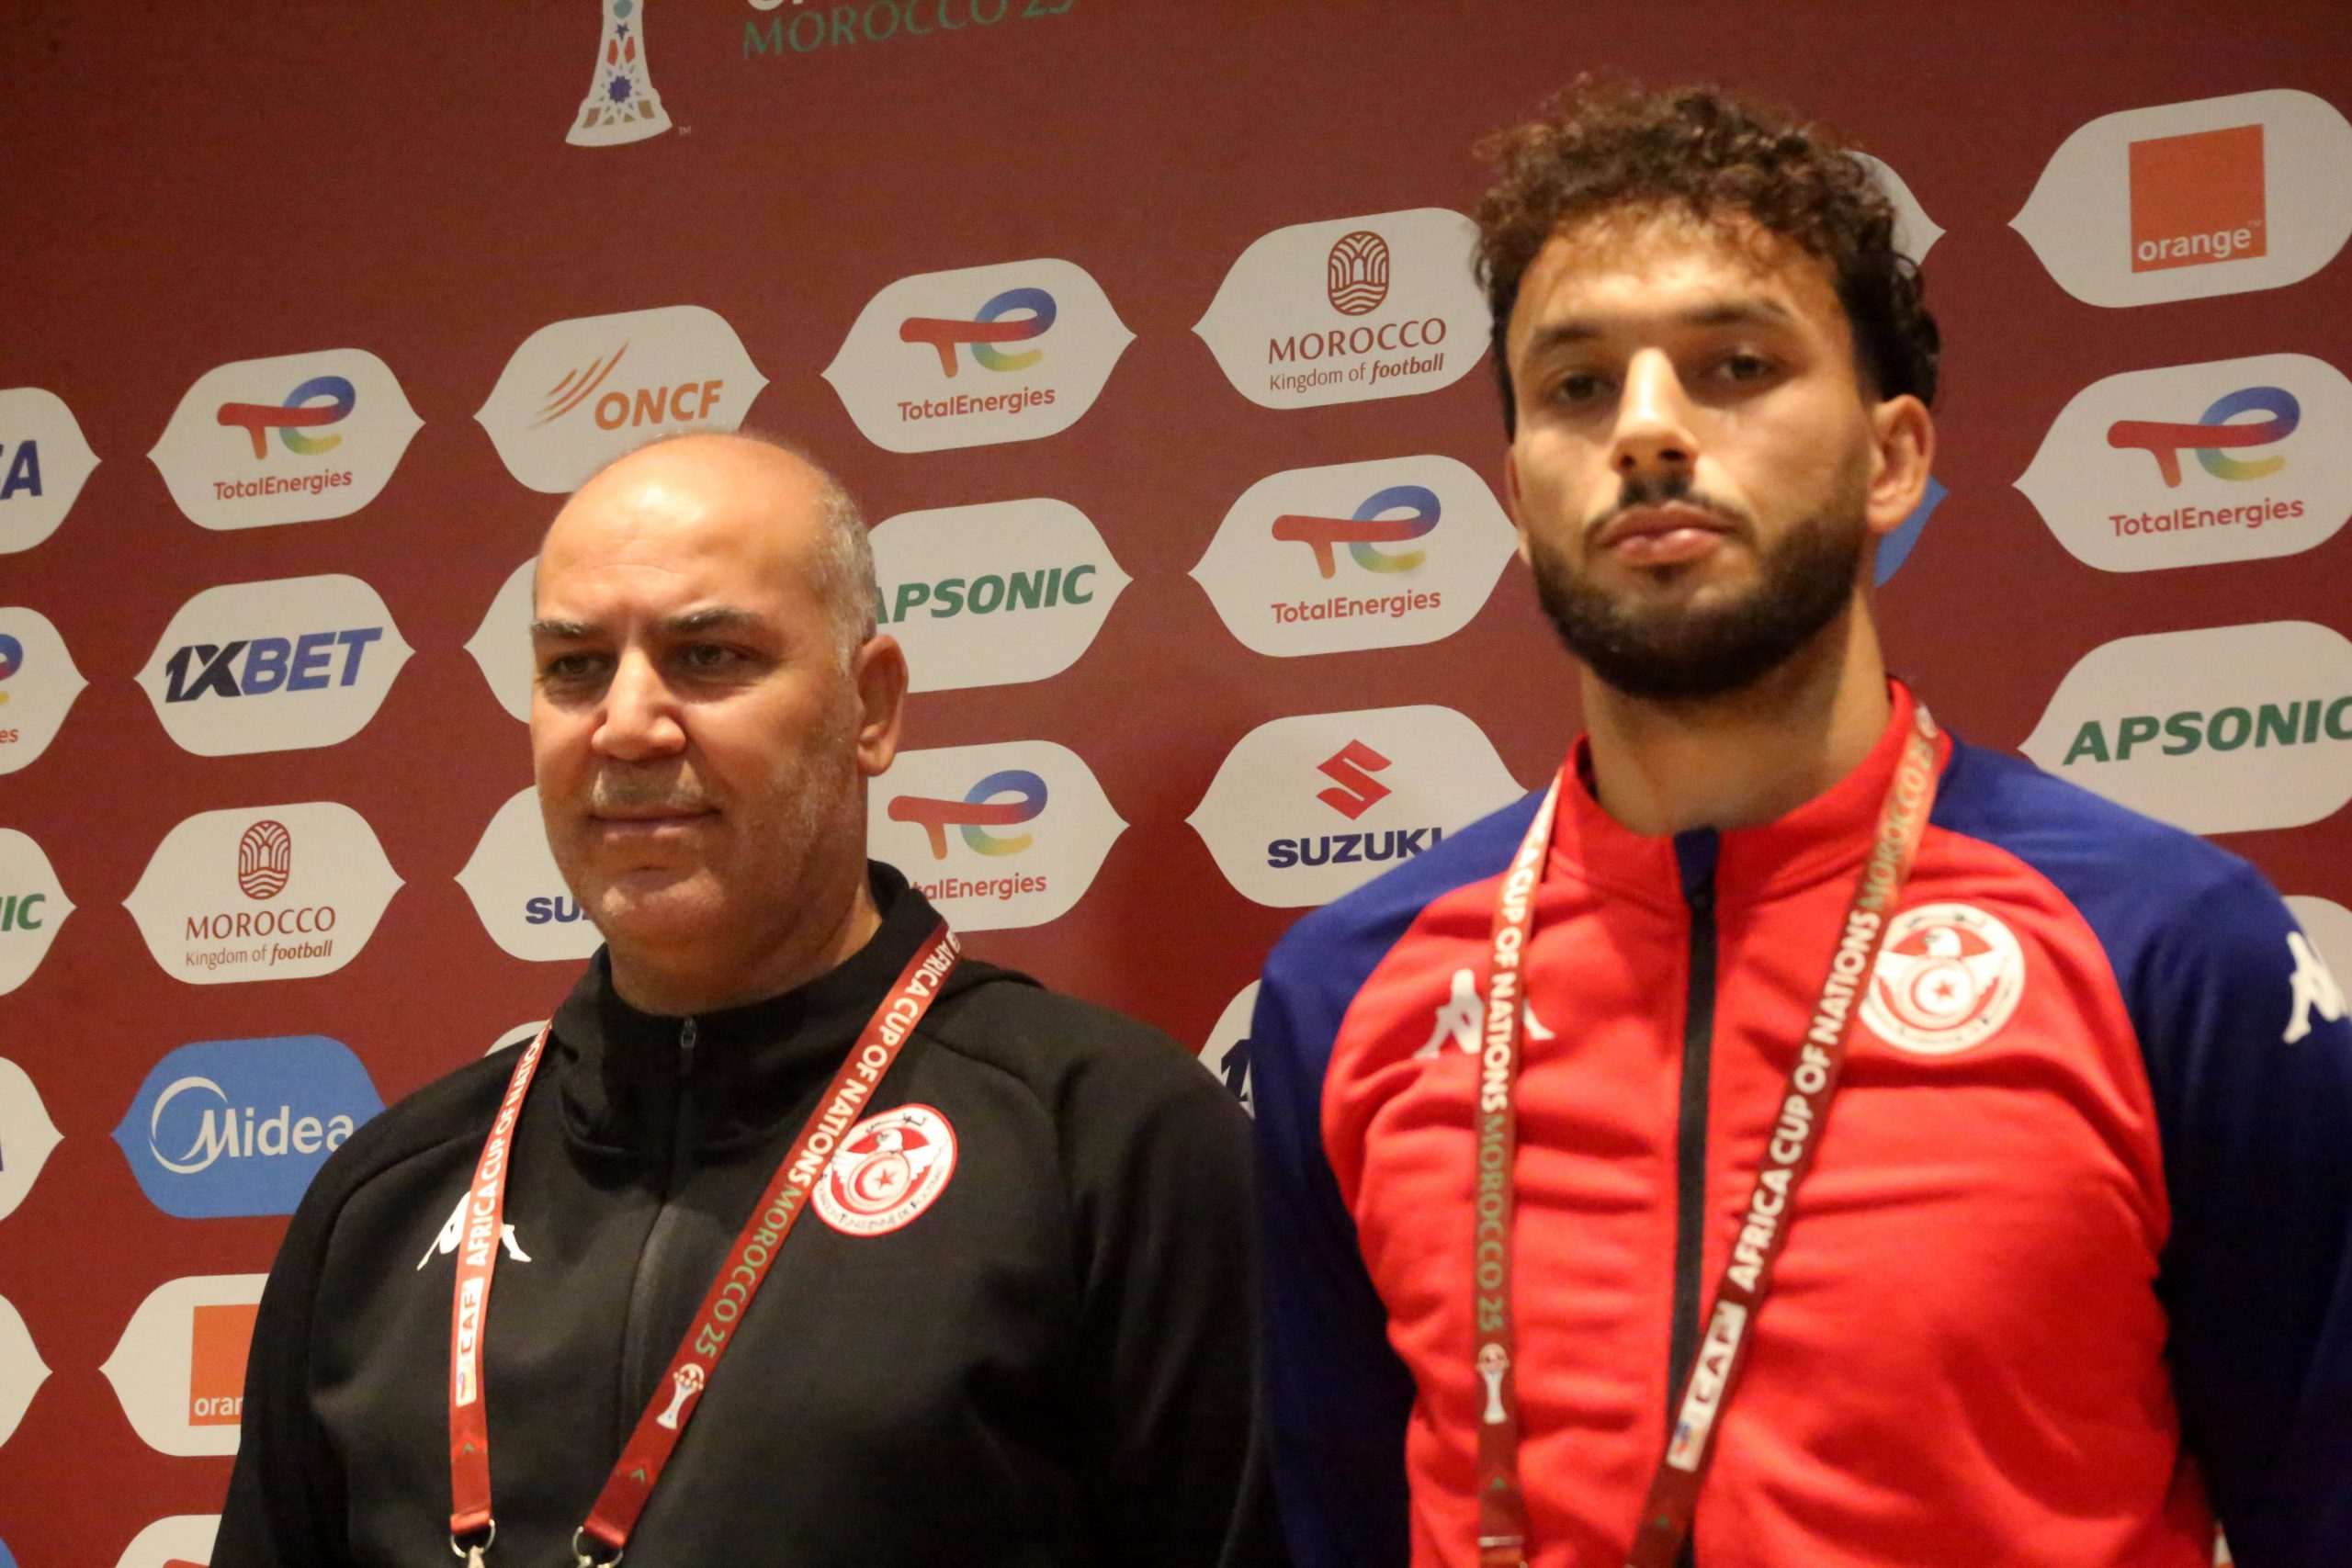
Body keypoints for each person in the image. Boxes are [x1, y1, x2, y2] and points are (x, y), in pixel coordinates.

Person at [1249, 82, 2352, 1568]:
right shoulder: (1345, 992)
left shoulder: (2169, 945)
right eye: (1576, 387)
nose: (1646, 429)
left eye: (1736, 366)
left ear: (1892, 459)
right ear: (1515, 491)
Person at [218, 432, 1275, 1567]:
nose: (624, 725)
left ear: (871, 707)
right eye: (574, 668)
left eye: (709, 656)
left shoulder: (1106, 1140)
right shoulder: (385, 1199)